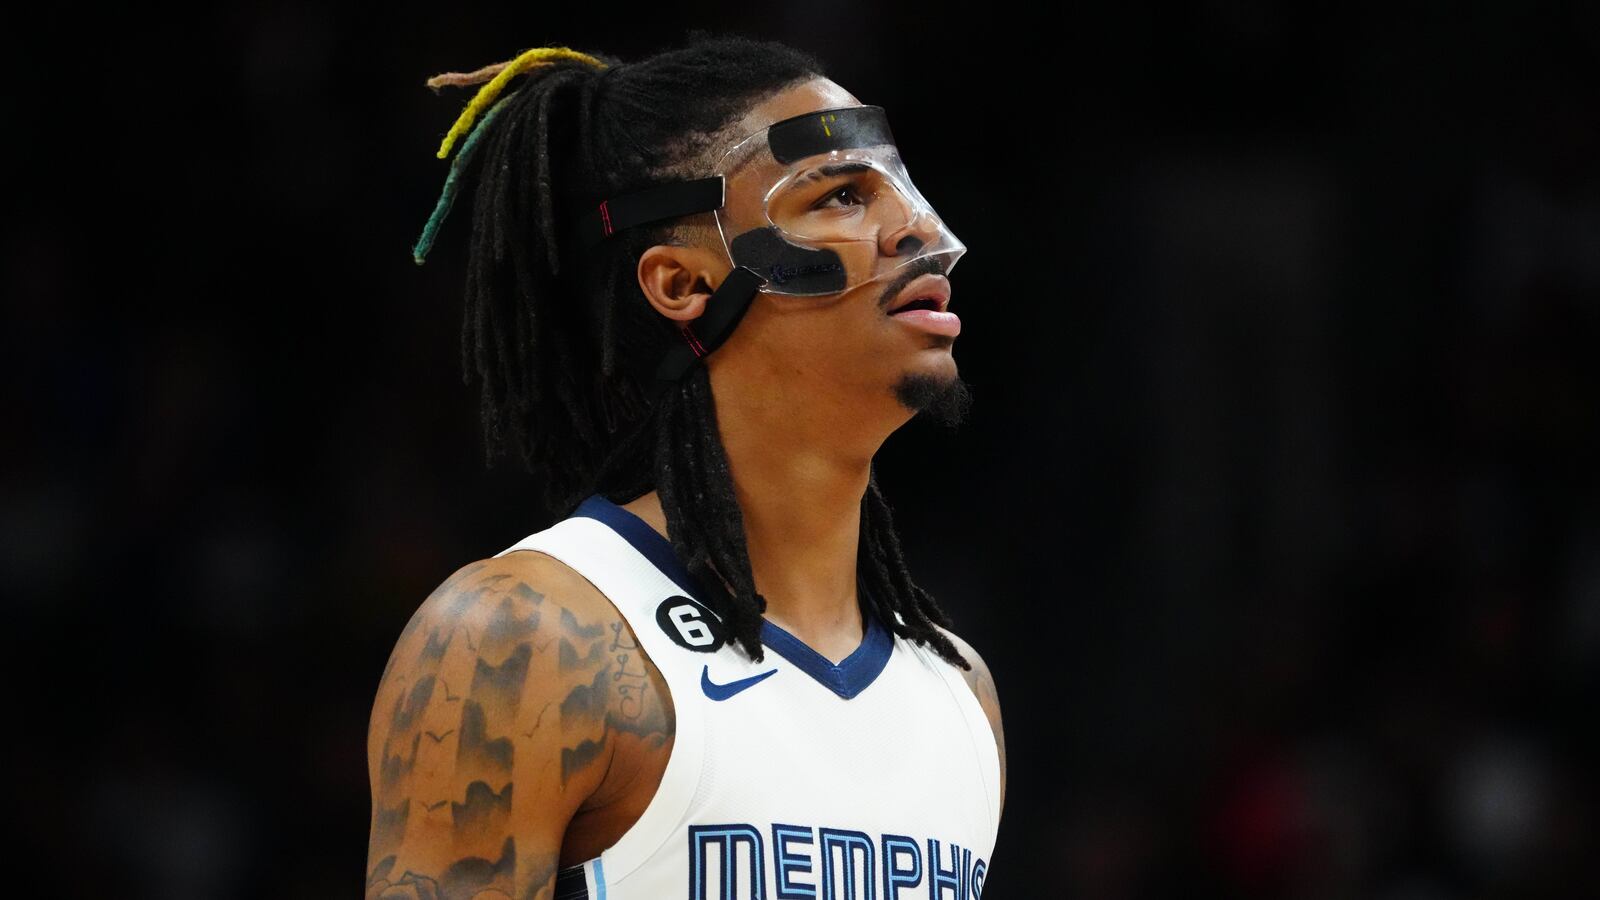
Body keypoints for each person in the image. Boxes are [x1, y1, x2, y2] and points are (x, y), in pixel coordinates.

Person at [366, 34, 1004, 900]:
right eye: (842, 195)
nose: (920, 230)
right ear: (682, 284)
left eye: (903, 190)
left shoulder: (959, 694)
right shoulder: (525, 639)